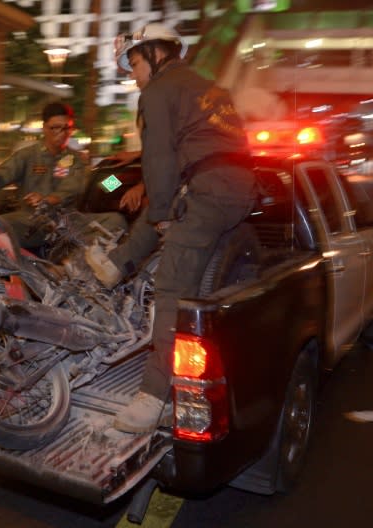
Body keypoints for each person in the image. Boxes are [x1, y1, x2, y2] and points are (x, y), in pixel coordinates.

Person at [85, 23, 257, 433]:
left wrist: (162, 210)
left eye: (135, 62)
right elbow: (200, 144)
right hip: (238, 187)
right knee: (162, 207)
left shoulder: (158, 91)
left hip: (209, 192)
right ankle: (117, 264)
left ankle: (154, 396)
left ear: (156, 54)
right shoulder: (208, 88)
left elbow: (160, 158)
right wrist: (157, 200)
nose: (133, 72)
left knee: (171, 288)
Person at [0, 102, 126, 250]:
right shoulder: (27, 156)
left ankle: (79, 262)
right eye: (55, 127)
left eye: (66, 128)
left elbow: (74, 187)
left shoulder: (76, 160)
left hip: (68, 221)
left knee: (116, 221)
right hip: (32, 220)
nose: (61, 133)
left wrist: (48, 199)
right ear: (44, 128)